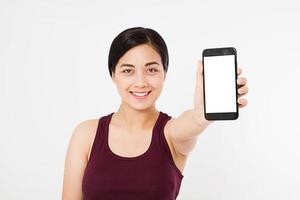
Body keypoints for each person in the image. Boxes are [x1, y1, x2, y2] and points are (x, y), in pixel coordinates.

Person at [62, 27, 248, 200]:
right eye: (128, 71)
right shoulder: (86, 134)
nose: (141, 82)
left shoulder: (171, 134)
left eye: (151, 70)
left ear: (164, 74)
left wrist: (201, 115)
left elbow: (191, 123)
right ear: (113, 75)